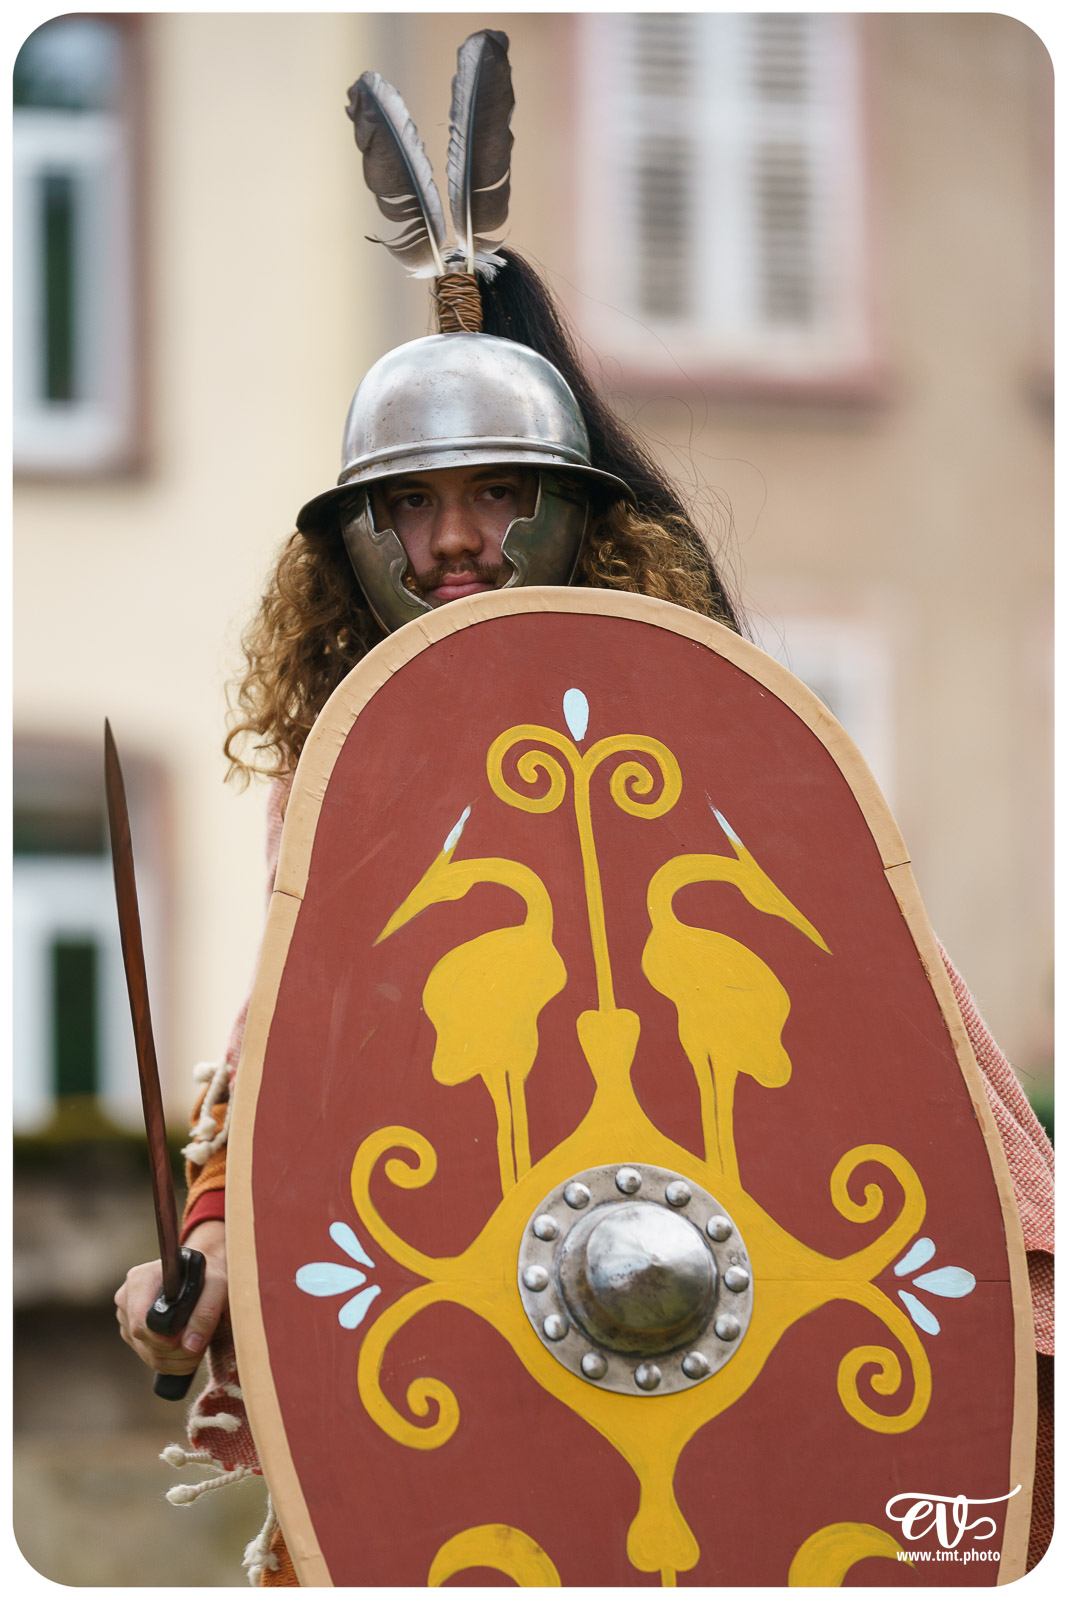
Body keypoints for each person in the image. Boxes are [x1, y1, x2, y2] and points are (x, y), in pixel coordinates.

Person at [116, 36, 1053, 1586]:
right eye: (408, 502)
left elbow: (872, 1044)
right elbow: (290, 1070)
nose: (455, 540)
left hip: (745, 1318)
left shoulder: (717, 745)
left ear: (573, 514)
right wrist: (210, 1244)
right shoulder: (338, 775)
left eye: (495, 492)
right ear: (351, 539)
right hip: (471, 1343)